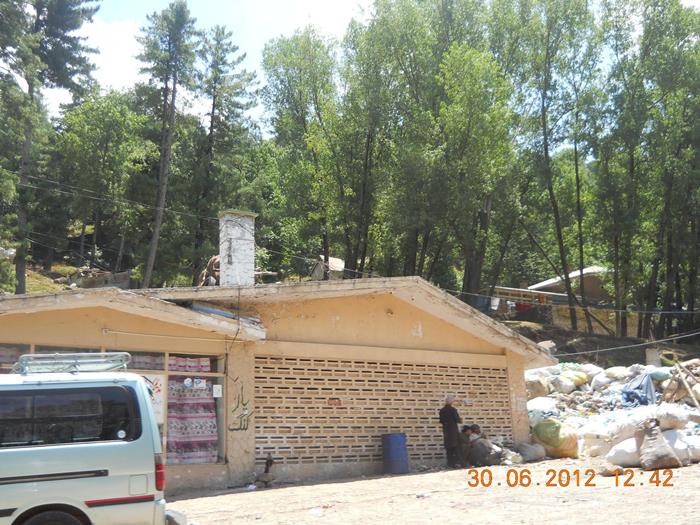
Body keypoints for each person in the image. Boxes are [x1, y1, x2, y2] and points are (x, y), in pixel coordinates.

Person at [438, 394, 462, 468]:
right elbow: (457, 420)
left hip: (446, 432)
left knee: (448, 449)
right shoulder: (453, 410)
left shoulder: (442, 410)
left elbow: (441, 421)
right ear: (451, 402)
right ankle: (456, 463)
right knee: (455, 448)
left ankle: (450, 464)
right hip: (453, 431)